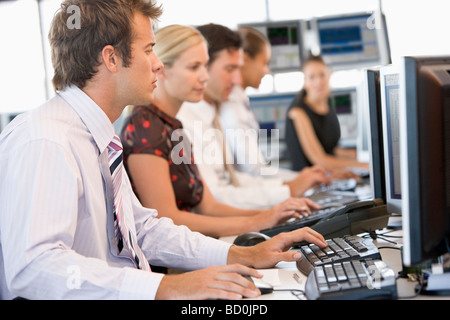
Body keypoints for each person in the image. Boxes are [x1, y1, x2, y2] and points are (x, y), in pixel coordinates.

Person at [0, 0, 328, 300]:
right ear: (111, 58)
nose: (158, 64)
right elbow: (34, 266)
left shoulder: (97, 135)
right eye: (149, 50)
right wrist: (166, 287)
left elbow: (142, 230)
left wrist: (239, 255)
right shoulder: (46, 139)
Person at [120, 25, 320, 238]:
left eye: (205, 66)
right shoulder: (146, 126)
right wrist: (258, 221)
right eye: (194, 67)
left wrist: (271, 215)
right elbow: (166, 219)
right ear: (162, 69)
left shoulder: (174, 127)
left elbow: (208, 205)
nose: (205, 77)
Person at [177, 23, 329, 210]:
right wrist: (288, 190)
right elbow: (216, 197)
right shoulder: (186, 122)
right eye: (230, 69)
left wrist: (289, 187)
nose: (237, 80)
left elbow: (233, 180)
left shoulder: (210, 115)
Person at [285, 55, 369, 172]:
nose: (318, 81)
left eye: (322, 75)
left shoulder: (326, 106)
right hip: (311, 185)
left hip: (329, 178)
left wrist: (357, 155)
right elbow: (320, 160)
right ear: (305, 82)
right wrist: (366, 166)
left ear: (329, 75)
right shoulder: (297, 112)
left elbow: (330, 149)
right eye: (312, 77)